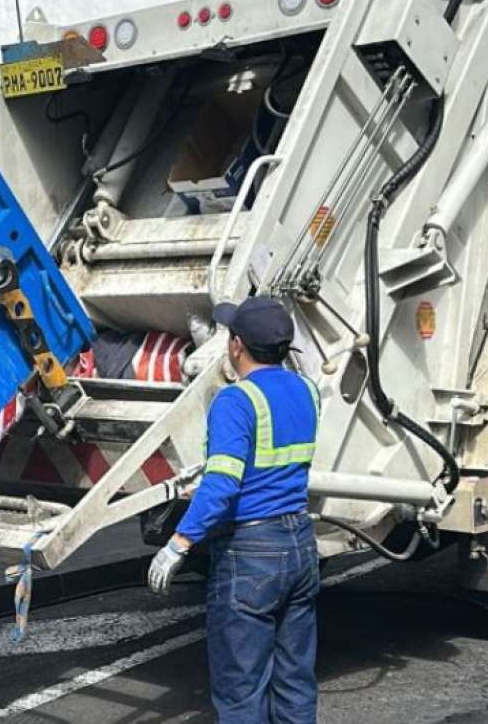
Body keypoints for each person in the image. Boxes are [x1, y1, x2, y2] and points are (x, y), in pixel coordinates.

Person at [148, 296, 320, 723]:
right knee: (296, 680)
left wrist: (178, 543)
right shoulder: (308, 390)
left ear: (237, 345)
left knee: (241, 687)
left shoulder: (236, 401)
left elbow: (223, 484)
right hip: (301, 543)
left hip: (251, 552)